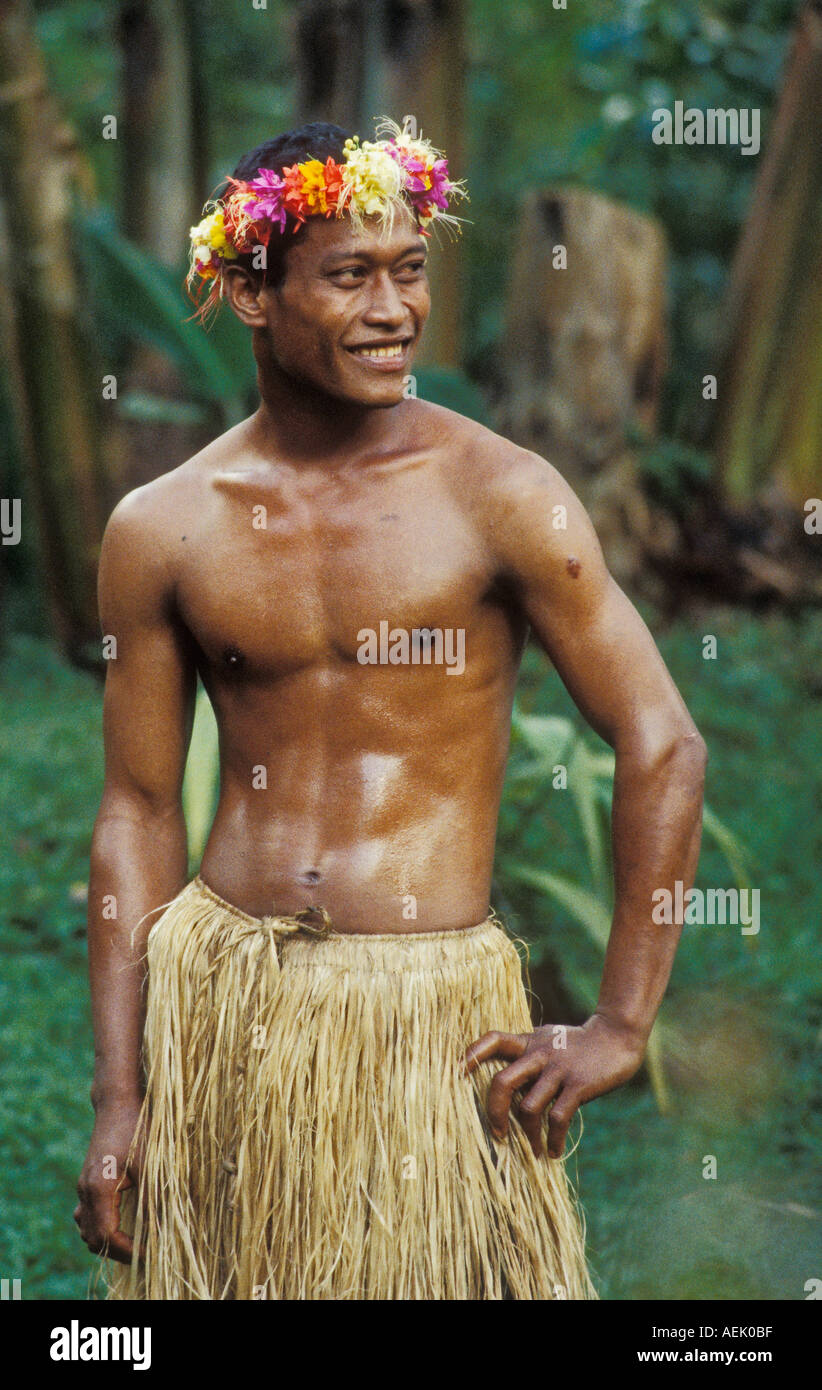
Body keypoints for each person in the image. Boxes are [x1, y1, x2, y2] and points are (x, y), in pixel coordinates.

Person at [74, 118, 707, 1300]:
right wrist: (123, 1094)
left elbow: (662, 738)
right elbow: (137, 809)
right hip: (229, 1008)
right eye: (350, 276)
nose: (393, 309)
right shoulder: (163, 524)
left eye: (410, 270)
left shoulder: (503, 495)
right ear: (251, 293)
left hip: (431, 1020)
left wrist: (621, 1020)